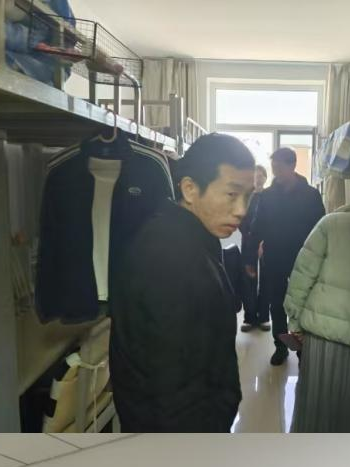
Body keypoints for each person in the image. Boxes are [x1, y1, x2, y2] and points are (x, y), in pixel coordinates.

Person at [109, 133, 255, 432]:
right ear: (190, 189)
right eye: (231, 194)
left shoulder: (187, 238)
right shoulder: (171, 256)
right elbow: (172, 385)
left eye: (248, 196)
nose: (241, 209)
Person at [285, 179, 350, 432]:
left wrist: (295, 324)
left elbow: (301, 277)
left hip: (320, 335)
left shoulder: (331, 224)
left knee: (314, 405)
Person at [252, 147, 326, 366]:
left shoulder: (311, 195)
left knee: (303, 305)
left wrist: (321, 258)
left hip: (303, 259)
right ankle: (281, 346)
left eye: (279, 168)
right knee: (277, 305)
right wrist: (251, 256)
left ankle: (303, 350)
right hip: (274, 259)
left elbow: (320, 228)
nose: (276, 173)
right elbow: (258, 226)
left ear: (292, 165)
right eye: (273, 168)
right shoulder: (267, 196)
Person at [239, 164, 270, 332]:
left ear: (265, 177)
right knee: (248, 279)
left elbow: (272, 220)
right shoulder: (246, 197)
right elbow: (240, 218)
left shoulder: (269, 196)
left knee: (266, 279)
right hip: (248, 242)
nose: (258, 178)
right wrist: (248, 235)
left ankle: (264, 317)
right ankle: (249, 317)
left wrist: (264, 240)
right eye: (255, 176)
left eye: (261, 175)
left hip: (266, 244)